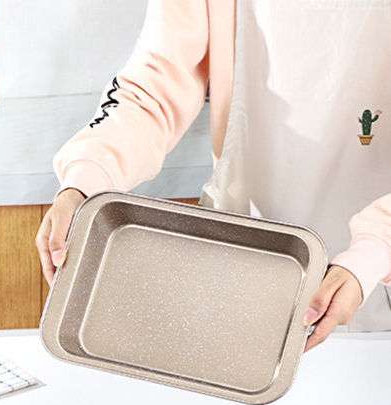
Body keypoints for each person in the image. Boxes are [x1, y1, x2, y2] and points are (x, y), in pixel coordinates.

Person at [36, 0, 391, 351]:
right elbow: (154, 87)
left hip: (380, 287)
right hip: (240, 258)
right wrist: (86, 181)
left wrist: (373, 255)